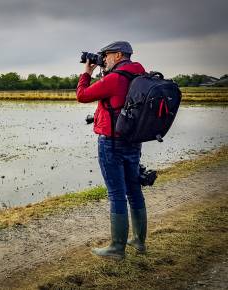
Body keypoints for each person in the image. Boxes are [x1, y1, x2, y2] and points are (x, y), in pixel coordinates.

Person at [76, 41, 147, 259]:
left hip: (111, 143)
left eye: (106, 55)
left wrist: (87, 73)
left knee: (116, 194)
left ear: (118, 55)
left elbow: (82, 95)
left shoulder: (114, 79)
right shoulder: (140, 76)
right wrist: (104, 72)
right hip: (133, 141)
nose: (103, 59)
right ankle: (139, 241)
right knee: (134, 191)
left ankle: (117, 248)